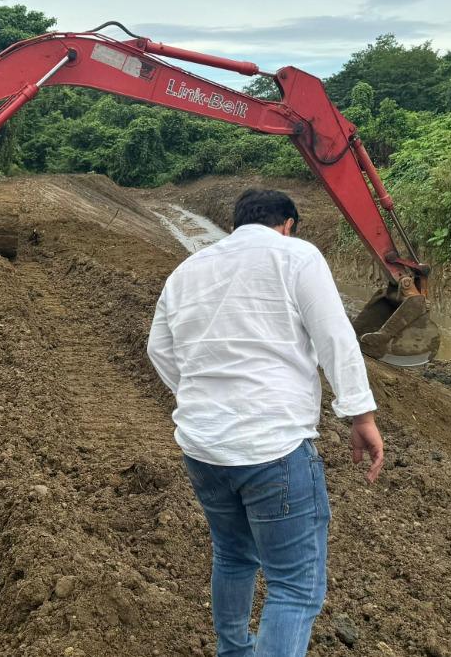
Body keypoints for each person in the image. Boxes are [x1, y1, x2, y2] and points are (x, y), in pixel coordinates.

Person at [146, 189, 384, 657]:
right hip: (272, 449)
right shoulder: (296, 257)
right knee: (295, 587)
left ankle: (233, 651)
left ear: (237, 223)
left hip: (203, 449)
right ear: (288, 224)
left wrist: (203, 398)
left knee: (234, 556)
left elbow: (160, 348)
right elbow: (335, 336)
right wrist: (361, 414)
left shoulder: (188, 270)